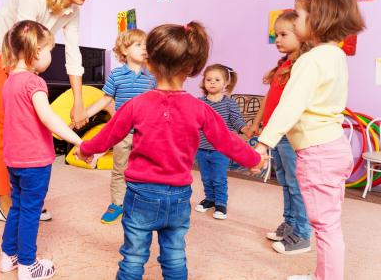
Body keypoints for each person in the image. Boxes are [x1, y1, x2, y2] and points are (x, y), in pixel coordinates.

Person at [75, 21, 268, 280]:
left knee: (133, 257)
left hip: (141, 194)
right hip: (178, 196)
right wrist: (254, 159)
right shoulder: (201, 109)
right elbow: (227, 141)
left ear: (150, 65)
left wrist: (85, 150)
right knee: (174, 254)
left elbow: (109, 134)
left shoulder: (135, 104)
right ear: (190, 68)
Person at [255, 0, 366, 280]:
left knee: (325, 226)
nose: (295, 19)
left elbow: (289, 108)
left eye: (299, 15)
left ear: (318, 19)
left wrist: (263, 144)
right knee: (329, 222)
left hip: (317, 153)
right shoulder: (336, 55)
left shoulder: (310, 61)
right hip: (334, 146)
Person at [0, 0, 96, 221]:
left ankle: (26, 197)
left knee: (33, 121)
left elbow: (73, 54)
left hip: (25, 61)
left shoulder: (73, 11)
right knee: (0, 126)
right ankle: (6, 203)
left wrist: (78, 102)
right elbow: (22, 40)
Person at [0, 20, 83, 280]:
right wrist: (79, 141)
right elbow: (49, 119)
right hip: (34, 162)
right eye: (49, 52)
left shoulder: (9, 81)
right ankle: (27, 265)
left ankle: (7, 257)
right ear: (36, 53)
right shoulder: (35, 83)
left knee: (17, 206)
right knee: (31, 210)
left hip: (13, 159)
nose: (50, 57)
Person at [249, 11, 312, 254]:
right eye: (276, 35)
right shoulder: (283, 65)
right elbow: (268, 99)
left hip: (291, 135)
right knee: (285, 181)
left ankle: (302, 234)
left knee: (296, 184)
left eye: (284, 34)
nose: (277, 39)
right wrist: (257, 122)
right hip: (275, 134)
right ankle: (290, 223)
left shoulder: (302, 66)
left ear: (302, 36)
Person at [81, 28, 156, 224]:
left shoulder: (153, 76)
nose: (144, 49)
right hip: (122, 133)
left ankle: (142, 203)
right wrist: (84, 114)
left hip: (146, 134)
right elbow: (104, 99)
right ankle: (117, 204)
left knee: (145, 169)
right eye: (138, 45)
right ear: (124, 50)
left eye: (145, 45)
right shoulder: (116, 75)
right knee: (119, 169)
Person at [194, 64, 249, 220]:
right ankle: (210, 199)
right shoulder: (200, 103)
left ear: (225, 83)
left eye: (217, 80)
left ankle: (221, 203)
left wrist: (245, 129)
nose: (212, 82)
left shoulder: (229, 103)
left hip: (221, 150)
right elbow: (193, 121)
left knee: (218, 178)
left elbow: (237, 121)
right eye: (208, 79)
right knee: (206, 177)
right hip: (202, 148)